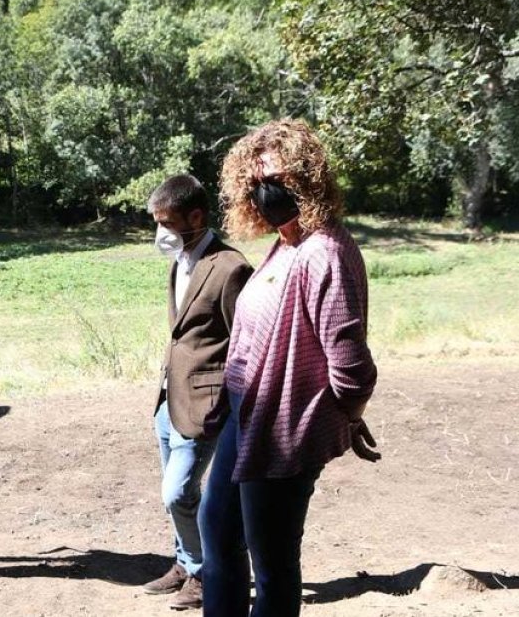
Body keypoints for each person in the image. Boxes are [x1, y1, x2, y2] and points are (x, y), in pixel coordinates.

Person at [198, 119, 380, 617]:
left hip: (283, 428)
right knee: (217, 533)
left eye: (277, 179)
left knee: (272, 563)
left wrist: (348, 417)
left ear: (308, 179)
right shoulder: (286, 242)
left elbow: (352, 366)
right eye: (255, 183)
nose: (266, 192)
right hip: (247, 416)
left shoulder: (326, 253)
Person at [142, 175, 253, 610]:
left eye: (168, 223)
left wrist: (231, 404)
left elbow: (243, 344)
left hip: (206, 404)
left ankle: (206, 573)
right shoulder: (180, 261)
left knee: (178, 493)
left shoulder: (231, 268)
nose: (161, 233)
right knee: (176, 495)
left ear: (196, 217)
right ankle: (185, 563)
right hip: (169, 400)